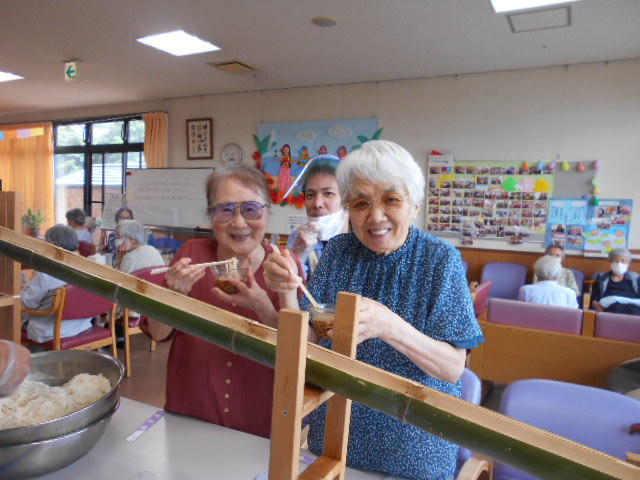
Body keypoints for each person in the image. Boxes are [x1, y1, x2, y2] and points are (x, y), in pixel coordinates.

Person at [264, 140, 483, 480]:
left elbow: (453, 368)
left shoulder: (440, 260)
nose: (376, 216)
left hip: (413, 450)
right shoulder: (338, 252)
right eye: (361, 202)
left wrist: (388, 325)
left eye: (392, 199)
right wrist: (286, 294)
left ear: (415, 205)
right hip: (336, 439)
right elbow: (306, 341)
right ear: (348, 208)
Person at [141, 163, 302, 439]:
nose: (239, 223)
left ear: (266, 213)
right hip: (192, 408)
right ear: (210, 216)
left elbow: (300, 354)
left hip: (263, 416)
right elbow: (157, 333)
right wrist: (173, 295)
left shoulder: (284, 265)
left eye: (251, 209)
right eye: (225, 210)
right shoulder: (192, 255)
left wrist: (264, 306)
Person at [21, 224, 93, 343]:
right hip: (81, 325)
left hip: (50, 330)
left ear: (52, 245)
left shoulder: (46, 272)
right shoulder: (87, 267)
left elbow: (28, 303)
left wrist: (23, 289)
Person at [286, 154, 349, 277]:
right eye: (310, 195)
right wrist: (296, 257)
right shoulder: (298, 239)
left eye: (329, 193)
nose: (317, 203)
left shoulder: (365, 238)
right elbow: (292, 292)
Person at [592, 248, 640, 314]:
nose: (619, 264)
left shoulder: (635, 278)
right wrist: (601, 314)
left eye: (623, 261)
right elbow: (595, 300)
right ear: (610, 261)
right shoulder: (602, 279)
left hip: (634, 312)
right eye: (616, 261)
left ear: (628, 263)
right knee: (617, 307)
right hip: (611, 312)